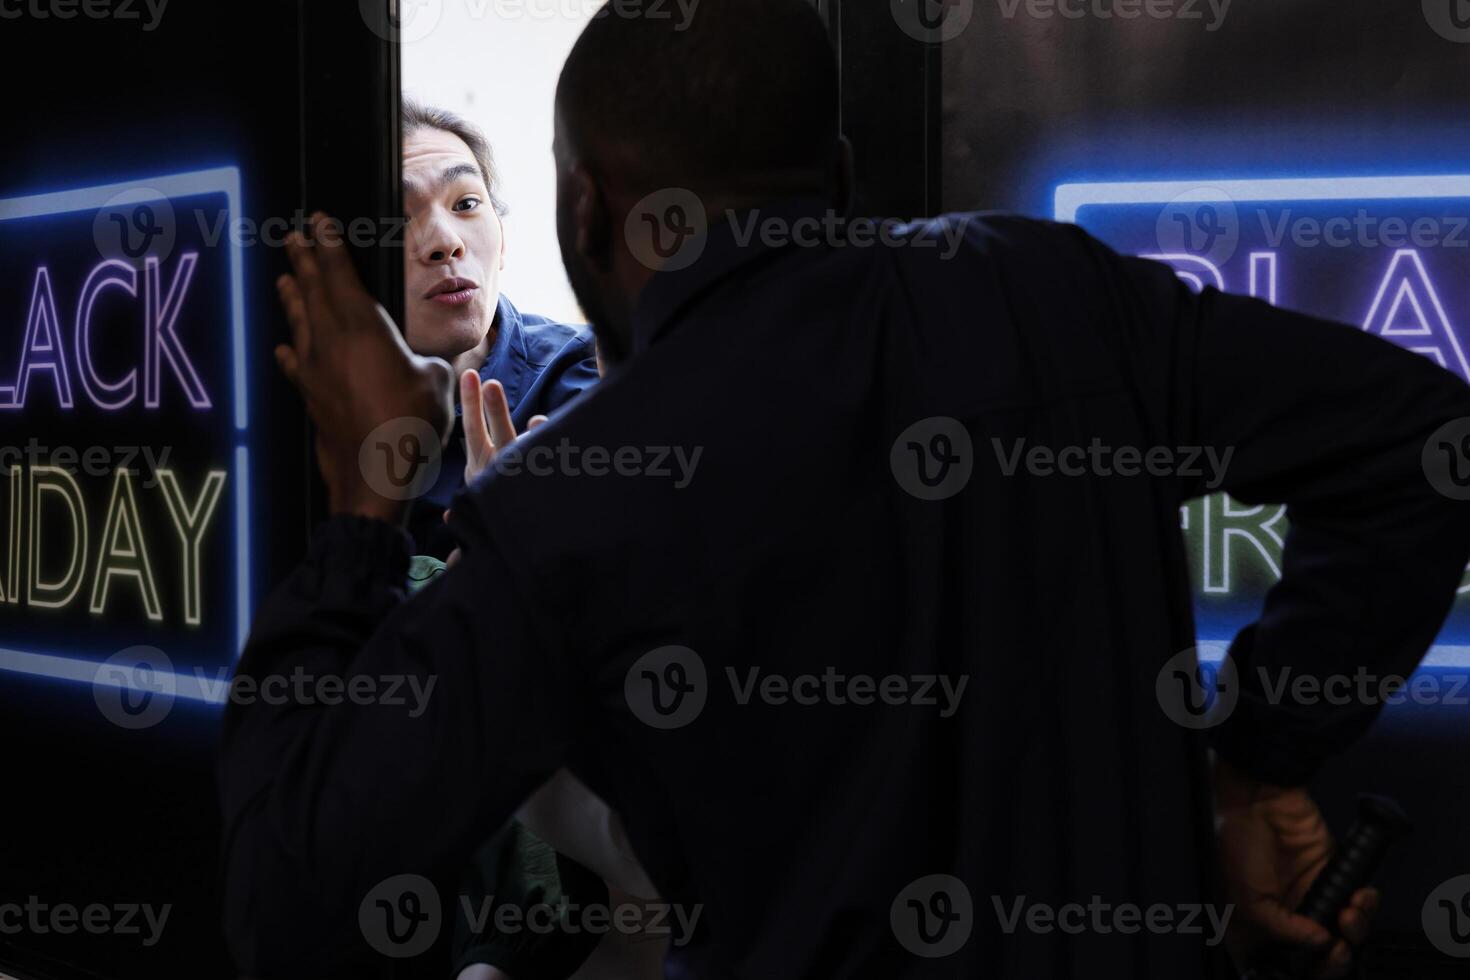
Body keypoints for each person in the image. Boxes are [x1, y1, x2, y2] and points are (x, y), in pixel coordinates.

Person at [218, 1, 1470, 977]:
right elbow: (1424, 444)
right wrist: (1257, 758)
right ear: (843, 173)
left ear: (586, 207)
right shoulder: (1063, 297)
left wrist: (359, 508)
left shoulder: (568, 506)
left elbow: (294, 900)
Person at [398, 97, 599, 558]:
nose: (446, 243)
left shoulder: (580, 379)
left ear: (502, 239)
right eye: (397, 218)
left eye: (466, 203)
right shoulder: (318, 411)